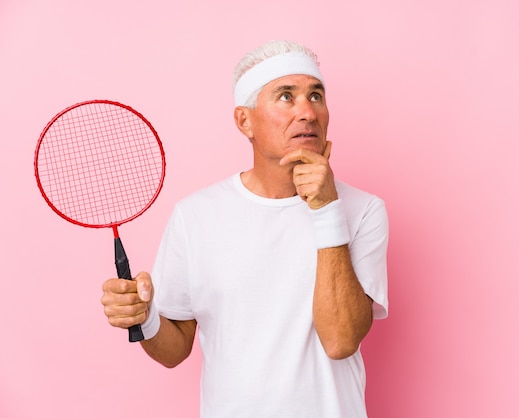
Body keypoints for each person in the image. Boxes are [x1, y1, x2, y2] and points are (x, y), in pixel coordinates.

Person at [101, 40, 389, 418]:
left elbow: (340, 340)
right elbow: (174, 351)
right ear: (244, 120)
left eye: (316, 95)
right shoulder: (196, 215)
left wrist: (326, 209)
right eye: (286, 96)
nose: (307, 111)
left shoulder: (363, 210)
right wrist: (145, 315)